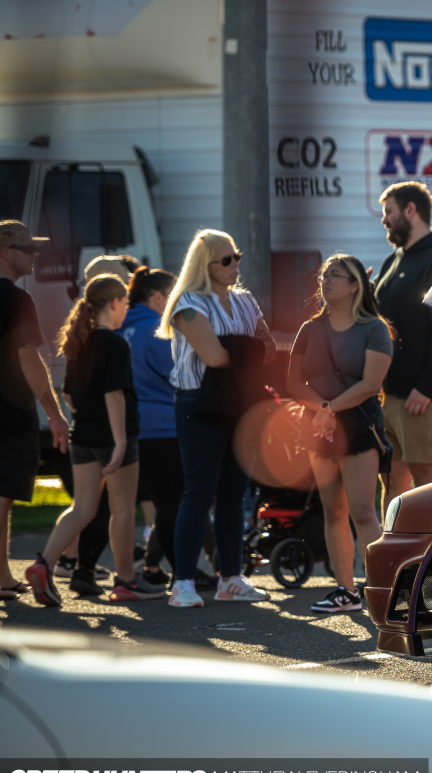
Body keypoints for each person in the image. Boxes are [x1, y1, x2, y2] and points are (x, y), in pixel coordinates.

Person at [24, 274, 163, 604]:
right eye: (125, 304)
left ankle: (44, 564)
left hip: (82, 434)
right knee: (123, 510)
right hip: (114, 437)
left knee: (82, 508)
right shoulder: (115, 344)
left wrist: (87, 417)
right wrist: (118, 442)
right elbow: (114, 395)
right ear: (114, 302)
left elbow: (69, 395)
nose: (125, 311)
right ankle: (126, 581)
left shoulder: (78, 342)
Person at [159, 228, 275, 609]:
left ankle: (231, 577)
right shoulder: (188, 303)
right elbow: (213, 356)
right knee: (198, 492)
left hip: (240, 403)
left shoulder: (245, 300)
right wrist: (249, 349)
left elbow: (268, 348)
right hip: (199, 404)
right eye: (226, 260)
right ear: (203, 265)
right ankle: (183, 583)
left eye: (237, 256)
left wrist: (244, 348)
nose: (235, 264)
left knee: (233, 494)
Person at [288, 254, 394, 613]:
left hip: (357, 425)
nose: (326, 280)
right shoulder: (310, 329)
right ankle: (345, 591)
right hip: (319, 428)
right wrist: (320, 411)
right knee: (334, 510)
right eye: (324, 275)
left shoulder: (374, 328)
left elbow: (370, 384)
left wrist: (330, 409)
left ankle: (383, 589)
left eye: (335, 275)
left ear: (355, 285)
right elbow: (293, 380)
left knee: (363, 511)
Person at [372, 181, 432, 511]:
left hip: (423, 399)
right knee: (393, 483)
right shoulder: (393, 260)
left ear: (411, 211)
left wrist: (426, 386)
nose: (384, 220)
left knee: (429, 482)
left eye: (389, 212)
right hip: (392, 395)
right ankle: (398, 560)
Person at [0, 221, 68, 601]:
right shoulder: (17, 299)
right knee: (3, 492)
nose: (35, 255)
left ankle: (2, 576)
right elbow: (29, 358)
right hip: (9, 412)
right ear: (5, 252)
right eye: (28, 249)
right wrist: (53, 414)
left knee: (0, 493)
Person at [121, 265, 190, 588]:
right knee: (173, 502)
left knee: (159, 502)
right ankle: (183, 571)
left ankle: (155, 565)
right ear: (158, 297)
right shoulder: (156, 330)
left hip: (129, 428)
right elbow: (179, 374)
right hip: (163, 426)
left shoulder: (121, 327)